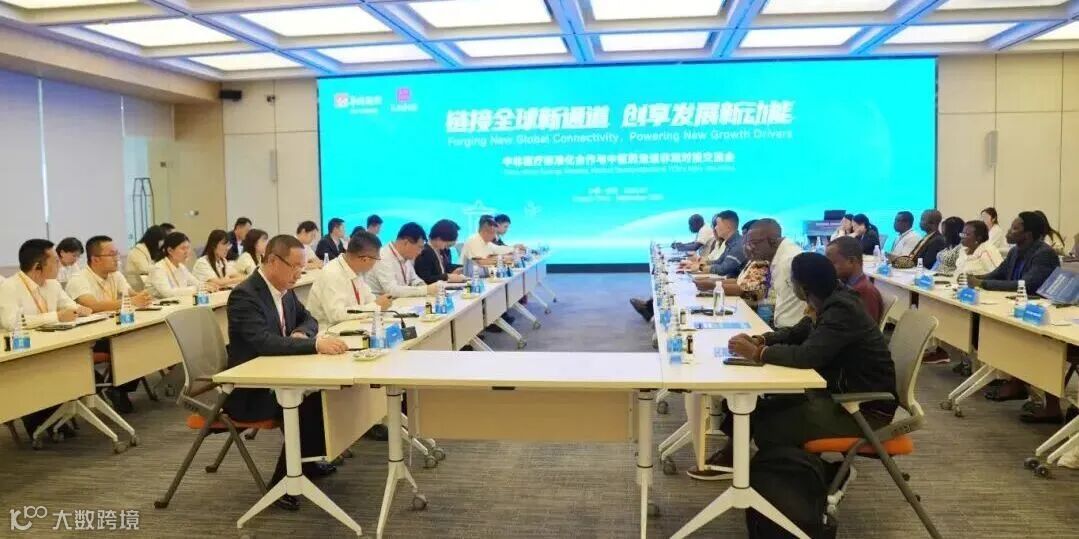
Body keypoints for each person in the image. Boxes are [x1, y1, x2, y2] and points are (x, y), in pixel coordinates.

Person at [688, 253, 897, 480]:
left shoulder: (841, 310)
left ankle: (827, 475)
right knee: (759, 405)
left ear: (803, 287)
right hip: (840, 393)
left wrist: (758, 353)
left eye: (791, 281)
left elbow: (807, 356)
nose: (791, 285)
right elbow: (798, 332)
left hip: (862, 409)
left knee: (771, 426)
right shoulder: (828, 299)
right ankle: (732, 460)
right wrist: (761, 340)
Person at [222, 235, 349, 511]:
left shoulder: (284, 289)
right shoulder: (245, 295)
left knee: (326, 395)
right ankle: (282, 484)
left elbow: (309, 318)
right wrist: (313, 344)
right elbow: (264, 342)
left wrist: (302, 332)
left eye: (302, 266)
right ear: (272, 261)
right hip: (250, 389)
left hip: (280, 374)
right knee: (308, 404)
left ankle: (307, 463)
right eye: (295, 266)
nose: (299, 273)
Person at [0, 239, 92, 438]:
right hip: (22, 352)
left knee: (76, 364)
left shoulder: (53, 284)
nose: (60, 265)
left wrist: (80, 309)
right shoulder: (9, 287)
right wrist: (56, 316)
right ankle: (39, 419)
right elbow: (11, 322)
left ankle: (56, 417)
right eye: (55, 261)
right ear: (37, 267)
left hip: (52, 345)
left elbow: (69, 306)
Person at [66, 235, 154, 412]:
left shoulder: (116, 275)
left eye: (117, 254)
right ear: (95, 259)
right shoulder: (79, 279)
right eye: (112, 254)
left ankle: (118, 388)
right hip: (89, 339)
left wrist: (143, 297)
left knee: (145, 340)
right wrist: (131, 301)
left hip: (113, 332)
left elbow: (132, 294)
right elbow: (92, 306)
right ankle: (115, 387)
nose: (117, 258)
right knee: (133, 344)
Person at [726, 219, 806, 328]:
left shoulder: (789, 261)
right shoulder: (776, 256)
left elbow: (754, 292)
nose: (750, 248)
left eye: (754, 243)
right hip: (785, 326)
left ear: (773, 241)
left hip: (790, 328)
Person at [308, 231, 393, 328]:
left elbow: (369, 299)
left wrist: (381, 303)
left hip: (351, 325)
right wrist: (375, 307)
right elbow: (336, 315)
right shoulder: (332, 273)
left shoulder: (356, 270)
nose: (376, 264)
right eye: (377, 259)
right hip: (327, 331)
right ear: (365, 259)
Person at [969, 211, 1060, 293]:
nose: (1009, 231)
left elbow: (1026, 285)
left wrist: (981, 283)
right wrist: (974, 277)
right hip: (1014, 300)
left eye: (1014, 228)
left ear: (1028, 235)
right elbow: (998, 274)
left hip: (1036, 303)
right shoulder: (1014, 251)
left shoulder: (1044, 254)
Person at [366, 222, 444, 298]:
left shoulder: (406, 257)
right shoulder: (383, 256)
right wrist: (426, 290)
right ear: (406, 243)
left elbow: (414, 280)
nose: (420, 252)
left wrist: (424, 286)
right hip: (381, 304)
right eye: (419, 247)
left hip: (400, 302)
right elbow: (392, 290)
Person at [825, 236, 884, 326]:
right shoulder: (844, 285)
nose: (828, 268)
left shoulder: (865, 292)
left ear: (851, 261)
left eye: (833, 263)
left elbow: (866, 330)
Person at [148, 232, 218, 299]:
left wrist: (208, 285)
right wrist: (196, 289)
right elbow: (167, 293)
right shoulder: (158, 268)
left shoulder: (181, 267)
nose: (187, 252)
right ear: (170, 251)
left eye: (188, 248)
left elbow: (196, 283)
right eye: (183, 248)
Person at [415, 219, 467, 285]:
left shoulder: (441, 250)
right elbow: (426, 278)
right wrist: (447, 277)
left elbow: (446, 266)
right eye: (447, 245)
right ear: (439, 238)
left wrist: (462, 268)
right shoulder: (425, 252)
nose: (447, 248)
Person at [124, 225, 166, 291]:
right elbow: (144, 269)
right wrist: (162, 267)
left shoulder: (148, 250)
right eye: (161, 240)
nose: (162, 243)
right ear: (154, 240)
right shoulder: (138, 250)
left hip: (144, 285)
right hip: (136, 287)